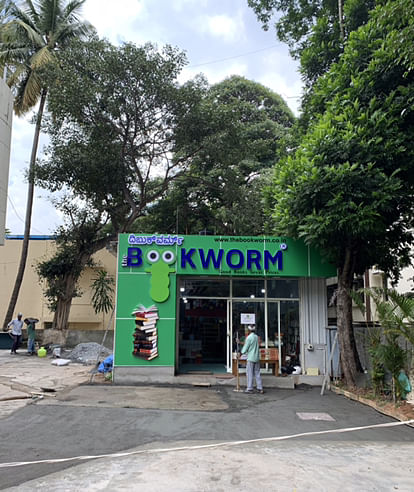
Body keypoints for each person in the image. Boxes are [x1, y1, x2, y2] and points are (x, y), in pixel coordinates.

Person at [241, 325, 264, 394]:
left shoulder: (249, 338)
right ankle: (260, 388)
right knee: (257, 373)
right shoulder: (257, 337)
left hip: (251, 358)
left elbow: (245, 347)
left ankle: (249, 388)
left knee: (249, 373)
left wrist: (241, 352)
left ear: (249, 331)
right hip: (256, 357)